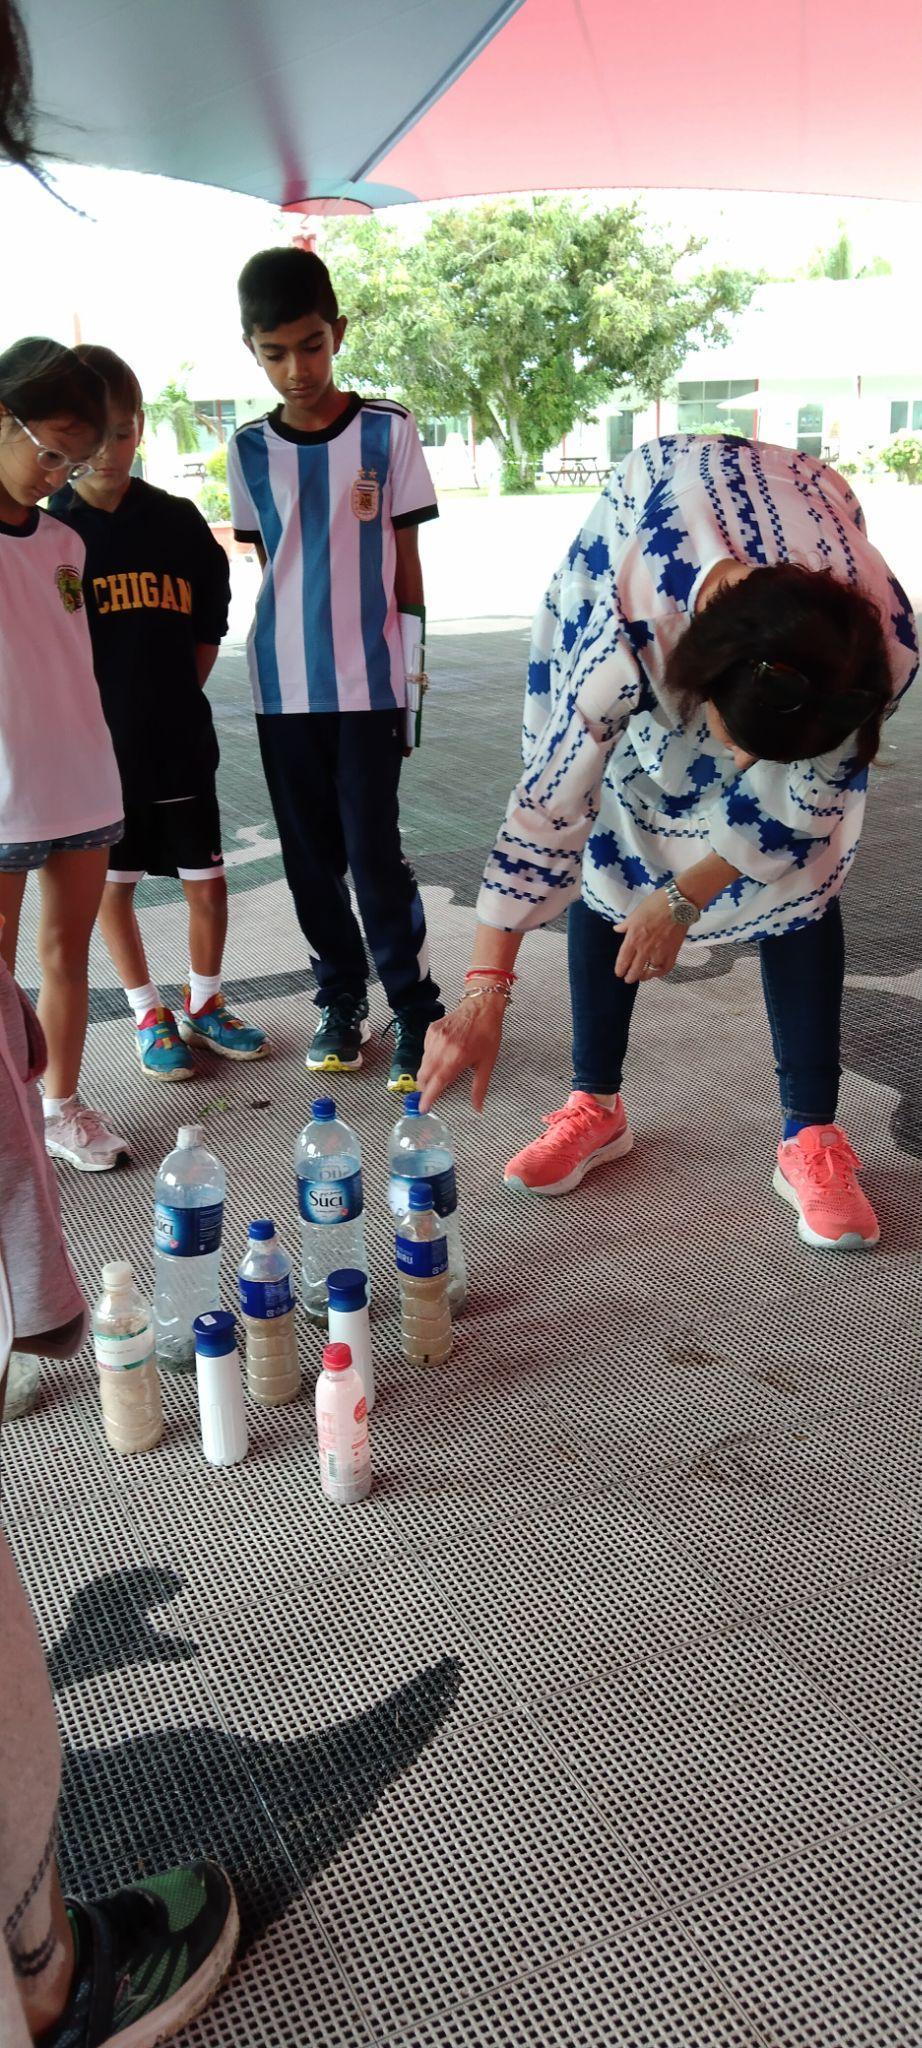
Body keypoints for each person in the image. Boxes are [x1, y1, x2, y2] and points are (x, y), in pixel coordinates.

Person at [418, 434, 918, 1252]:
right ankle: (595, 1105)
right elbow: (550, 809)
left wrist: (686, 897)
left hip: (800, 531)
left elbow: (810, 807)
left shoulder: (879, 645)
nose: (745, 768)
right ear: (695, 680)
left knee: (800, 882)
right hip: (654, 527)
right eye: (740, 742)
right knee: (613, 847)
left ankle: (811, 1134)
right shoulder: (625, 638)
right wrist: (483, 992)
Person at [227, 246, 444, 1093]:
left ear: (338, 333)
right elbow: (273, 567)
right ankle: (340, 996)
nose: (297, 369)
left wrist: (412, 680)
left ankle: (416, 1007)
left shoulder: (387, 430)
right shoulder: (249, 449)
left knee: (373, 852)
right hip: (282, 690)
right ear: (252, 349)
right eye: (275, 353)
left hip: (370, 685)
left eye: (311, 346)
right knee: (309, 859)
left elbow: (408, 566)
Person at [49, 345, 269, 1079]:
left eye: (121, 433)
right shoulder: (57, 533)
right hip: (98, 756)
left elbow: (208, 628)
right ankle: (148, 1010)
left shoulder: (177, 523)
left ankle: (204, 1002)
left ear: (140, 426)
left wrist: (171, 698)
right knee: (114, 888)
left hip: (178, 743)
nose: (108, 453)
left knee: (207, 881)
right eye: (93, 437)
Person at [0, 336, 131, 1171]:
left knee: (66, 958)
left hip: (82, 782)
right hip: (4, 794)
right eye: (49, 452)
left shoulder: (64, 545)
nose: (56, 475)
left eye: (72, 463)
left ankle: (60, 1108)